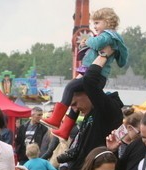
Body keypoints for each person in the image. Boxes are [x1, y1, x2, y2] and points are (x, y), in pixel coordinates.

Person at [42, 8, 128, 140]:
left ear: (108, 22)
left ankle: (57, 118)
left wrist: (87, 40)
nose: (95, 26)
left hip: (95, 74)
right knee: (75, 99)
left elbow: (97, 42)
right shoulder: (111, 37)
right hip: (92, 72)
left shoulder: (108, 35)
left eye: (97, 23)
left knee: (70, 87)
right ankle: (65, 129)